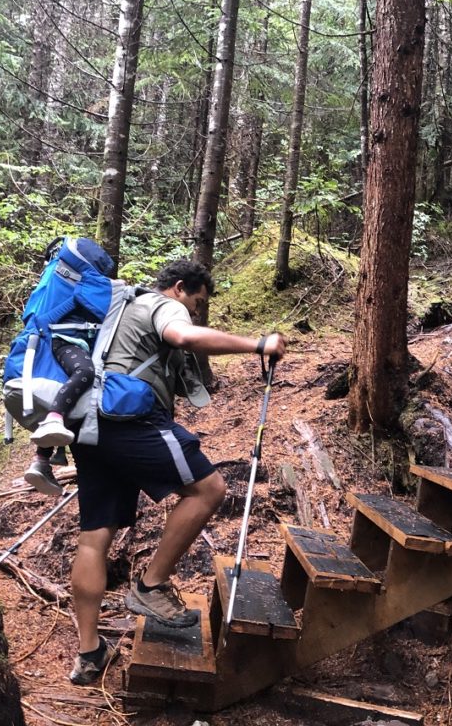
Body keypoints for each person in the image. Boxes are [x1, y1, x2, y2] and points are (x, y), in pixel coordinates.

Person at [65, 259, 286, 686]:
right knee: (209, 489)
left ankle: (89, 652)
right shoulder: (160, 305)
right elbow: (183, 336)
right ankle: (151, 585)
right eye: (198, 301)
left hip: (89, 423)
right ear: (181, 288)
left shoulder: (121, 309)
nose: (197, 310)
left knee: (95, 537)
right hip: (130, 419)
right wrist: (257, 344)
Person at [24, 242, 115, 497]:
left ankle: (41, 463)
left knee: (72, 395)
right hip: (67, 341)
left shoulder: (67, 281)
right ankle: (53, 418)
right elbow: (104, 308)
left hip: (65, 340)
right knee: (85, 372)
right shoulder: (89, 284)